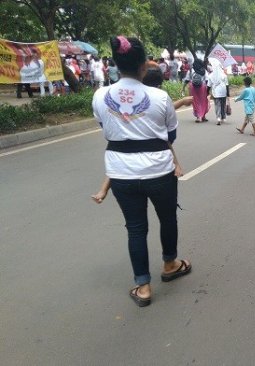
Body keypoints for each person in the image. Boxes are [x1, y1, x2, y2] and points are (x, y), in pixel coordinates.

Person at [91, 35, 191, 307]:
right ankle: (170, 265)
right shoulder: (159, 96)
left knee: (135, 229)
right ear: (144, 67)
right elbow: (170, 135)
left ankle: (143, 287)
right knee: (168, 218)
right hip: (159, 171)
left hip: (121, 173)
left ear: (114, 64)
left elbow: (106, 129)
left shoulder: (100, 95)